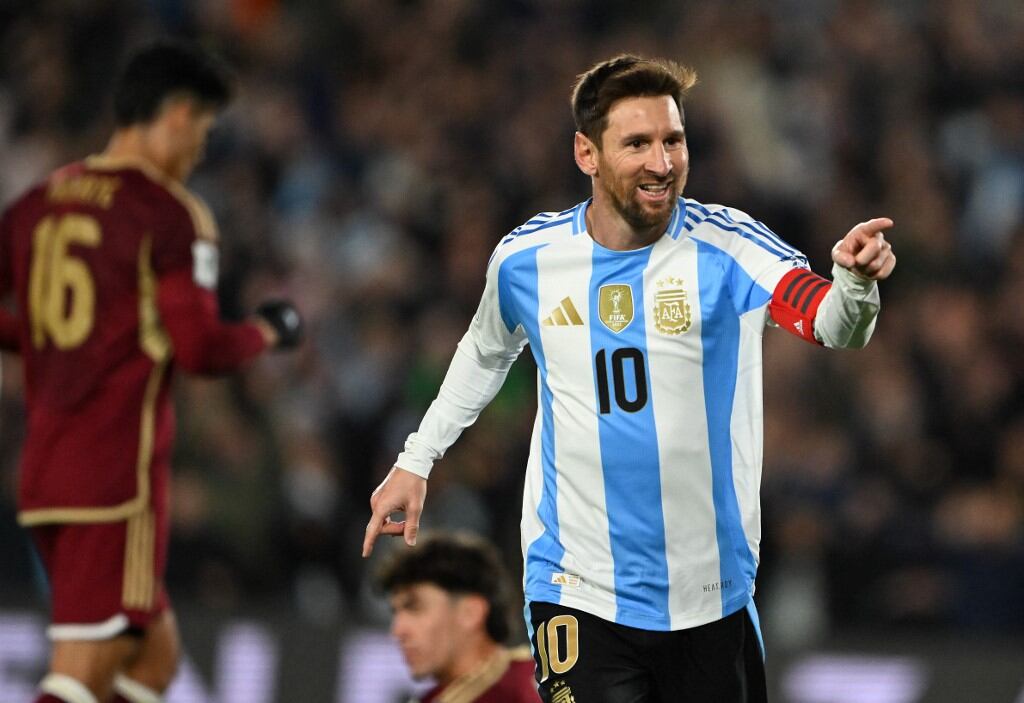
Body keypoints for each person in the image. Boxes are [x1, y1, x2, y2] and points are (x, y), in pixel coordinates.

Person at [363, 54, 896, 702]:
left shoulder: (727, 247)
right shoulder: (527, 261)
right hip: (577, 587)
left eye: (673, 140)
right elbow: (485, 351)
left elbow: (831, 322)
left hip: (710, 594)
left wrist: (856, 284)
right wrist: (417, 459)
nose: (662, 162)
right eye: (637, 143)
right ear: (586, 153)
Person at [0, 41, 303, 703]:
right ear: (173, 116)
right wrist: (267, 331)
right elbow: (199, 350)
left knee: (153, 663)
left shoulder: (34, 206)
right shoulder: (167, 215)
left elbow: (30, 323)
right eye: (202, 129)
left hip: (45, 474)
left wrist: (54, 343)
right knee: (80, 673)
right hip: (114, 481)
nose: (199, 149)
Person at [378, 532, 541, 703]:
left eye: (414, 608)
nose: (397, 631)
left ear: (471, 612)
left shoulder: (540, 687)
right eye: (396, 612)